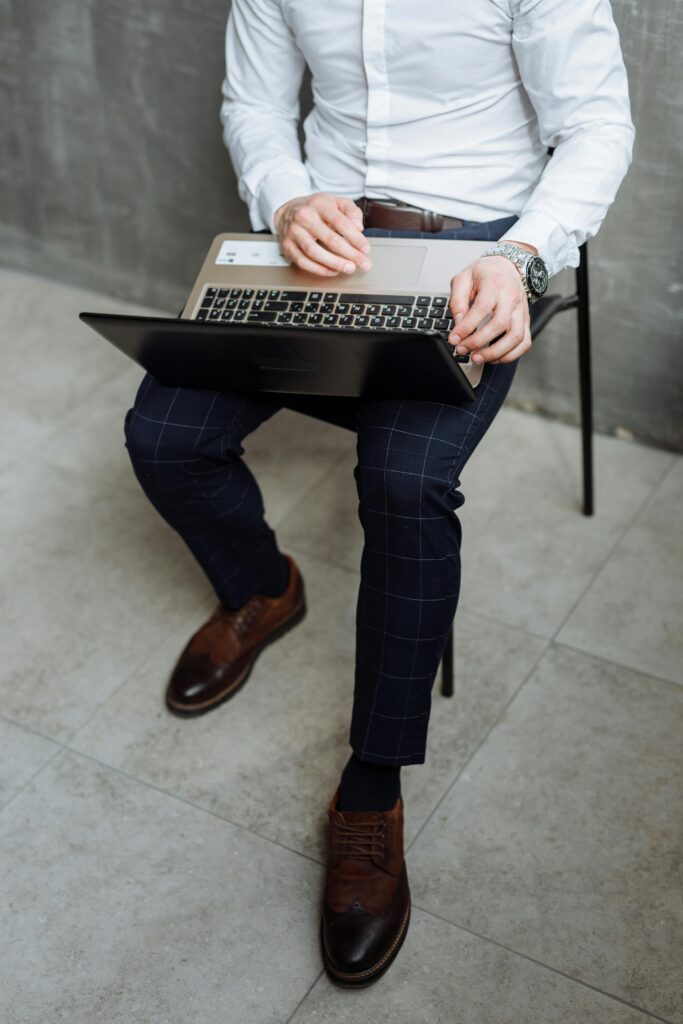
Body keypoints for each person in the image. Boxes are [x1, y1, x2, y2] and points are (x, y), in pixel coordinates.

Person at [123, 0, 634, 988]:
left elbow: (595, 125)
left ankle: (372, 787)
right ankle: (262, 586)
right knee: (162, 432)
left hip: (480, 250)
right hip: (322, 243)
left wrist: (519, 258)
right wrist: (282, 198)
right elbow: (255, 104)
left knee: (402, 478)